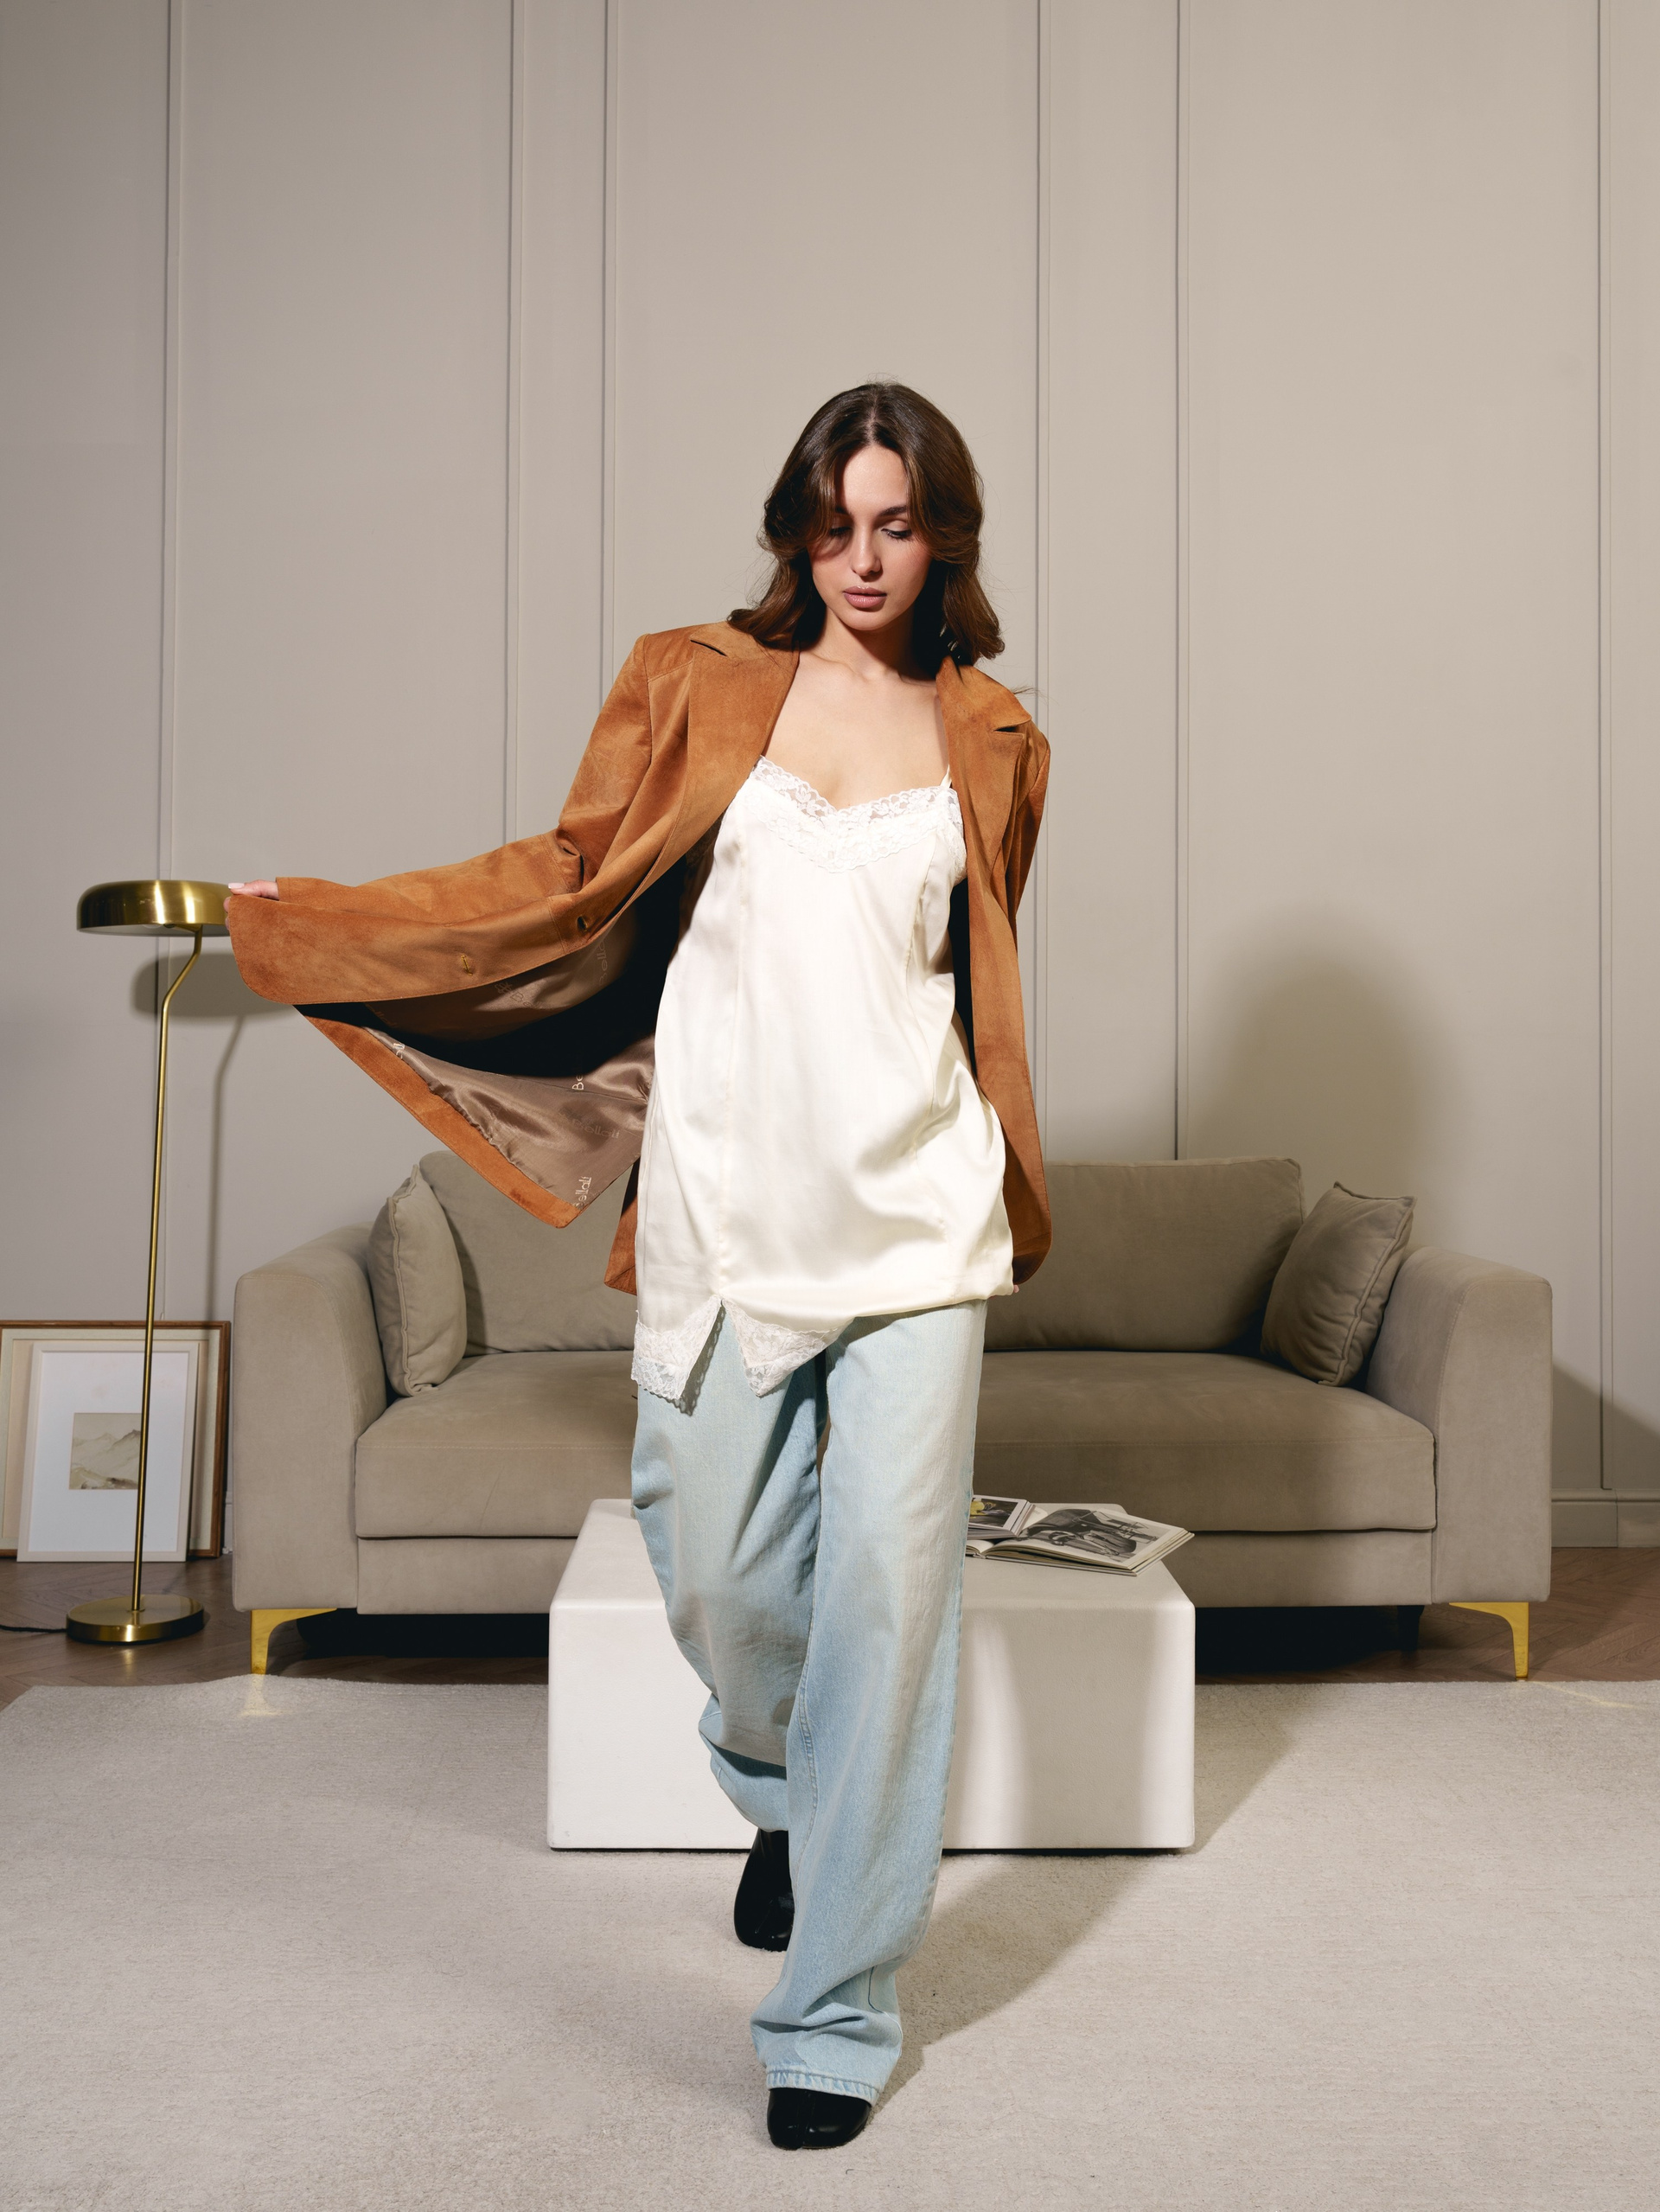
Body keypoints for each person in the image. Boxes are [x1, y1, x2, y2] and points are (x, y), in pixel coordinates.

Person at [227, 381, 1050, 2151]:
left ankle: (834, 2011)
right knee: (727, 1577)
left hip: (921, 1215)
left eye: (896, 526)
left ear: (944, 536)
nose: (861, 561)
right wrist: (324, 926)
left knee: (892, 1609)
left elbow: (965, 964)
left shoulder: (993, 733)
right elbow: (566, 879)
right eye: (832, 526)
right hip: (726, 1202)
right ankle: (783, 1791)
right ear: (795, 533)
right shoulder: (696, 682)